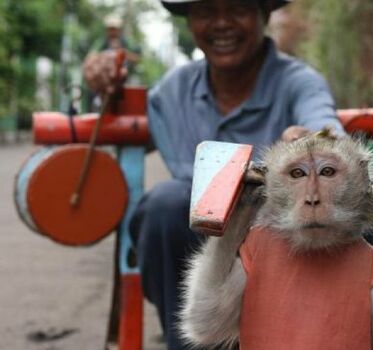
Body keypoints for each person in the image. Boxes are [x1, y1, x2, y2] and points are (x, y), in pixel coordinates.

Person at [83, 0, 343, 349]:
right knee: (164, 205)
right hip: (198, 269)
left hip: (285, 255)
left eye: (237, 8)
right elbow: (117, 126)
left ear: (262, 15)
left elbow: (324, 128)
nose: (221, 23)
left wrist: (308, 142)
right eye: (205, 11)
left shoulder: (298, 82)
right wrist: (103, 90)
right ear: (190, 22)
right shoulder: (172, 91)